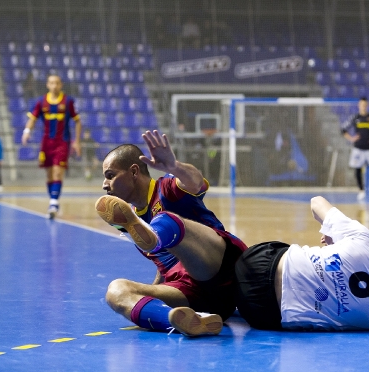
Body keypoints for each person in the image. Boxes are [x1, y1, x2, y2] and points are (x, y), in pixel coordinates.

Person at [95, 130, 248, 337]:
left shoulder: (166, 188)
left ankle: (158, 236)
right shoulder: (132, 220)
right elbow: (164, 265)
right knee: (116, 291)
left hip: (222, 269)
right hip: (200, 297)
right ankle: (182, 320)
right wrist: (151, 296)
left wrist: (175, 167)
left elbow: (196, 183)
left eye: (110, 176)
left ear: (133, 172)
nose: (105, 185)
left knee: (164, 221)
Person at [235, 196, 369, 331]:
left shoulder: (362, 238)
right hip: (265, 314)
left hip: (258, 264)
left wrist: (330, 232)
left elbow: (316, 202)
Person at [21, 74, 82, 219]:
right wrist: (27, 131)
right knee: (49, 174)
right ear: (48, 85)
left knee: (57, 172)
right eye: (51, 83)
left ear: (61, 85)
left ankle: (53, 202)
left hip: (62, 142)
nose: (54, 85)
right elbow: (33, 119)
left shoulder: (68, 101)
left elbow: (78, 122)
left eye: (57, 83)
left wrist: (77, 141)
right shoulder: (41, 102)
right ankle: (53, 199)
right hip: (46, 142)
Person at [341, 97, 369, 200]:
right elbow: (343, 129)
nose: (363, 107)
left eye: (365, 105)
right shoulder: (355, 118)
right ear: (359, 105)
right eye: (362, 105)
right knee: (357, 169)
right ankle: (361, 190)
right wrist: (351, 138)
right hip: (358, 148)